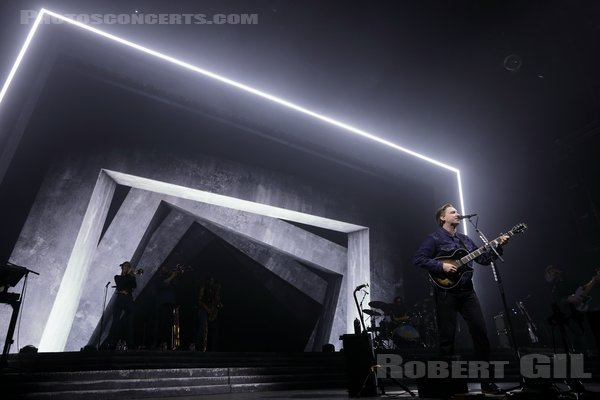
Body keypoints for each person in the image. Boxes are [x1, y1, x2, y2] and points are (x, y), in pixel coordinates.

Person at [413, 203, 509, 395]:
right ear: (442, 218)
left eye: (457, 211)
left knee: (481, 334)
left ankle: (486, 382)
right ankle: (445, 385)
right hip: (446, 293)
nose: (457, 214)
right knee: (447, 339)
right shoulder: (433, 239)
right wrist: (442, 267)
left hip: (467, 292)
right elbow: (419, 259)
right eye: (453, 212)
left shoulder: (465, 240)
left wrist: (498, 246)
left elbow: (482, 260)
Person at [108, 261, 137, 350]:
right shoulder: (117, 277)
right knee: (115, 321)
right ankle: (112, 343)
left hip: (128, 298)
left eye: (128, 266)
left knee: (130, 321)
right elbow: (121, 286)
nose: (127, 268)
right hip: (120, 298)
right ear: (122, 268)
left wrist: (133, 276)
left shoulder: (131, 277)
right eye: (125, 266)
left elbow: (134, 286)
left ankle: (130, 343)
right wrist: (128, 275)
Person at [154, 265, 182, 350]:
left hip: (171, 303)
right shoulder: (159, 278)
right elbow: (163, 285)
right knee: (162, 324)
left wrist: (175, 276)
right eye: (164, 267)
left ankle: (168, 344)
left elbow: (178, 286)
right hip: (162, 304)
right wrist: (172, 276)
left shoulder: (171, 278)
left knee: (170, 325)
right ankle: (159, 343)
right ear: (161, 269)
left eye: (167, 267)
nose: (166, 269)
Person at [196, 277, 222, 352]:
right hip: (203, 310)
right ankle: (200, 348)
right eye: (211, 280)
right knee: (203, 329)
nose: (212, 282)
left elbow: (216, 300)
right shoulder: (203, 287)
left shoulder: (215, 290)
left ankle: (213, 349)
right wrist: (207, 309)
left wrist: (218, 303)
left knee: (215, 330)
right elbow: (199, 301)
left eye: (213, 281)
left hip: (212, 310)